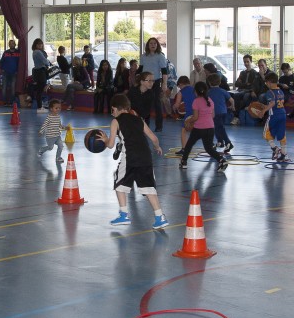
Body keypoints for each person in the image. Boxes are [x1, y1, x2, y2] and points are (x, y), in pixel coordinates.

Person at [97, 94, 168, 230]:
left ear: (114, 108)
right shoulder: (139, 119)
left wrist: (105, 139)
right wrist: (157, 147)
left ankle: (124, 215)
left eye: (112, 110)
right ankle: (160, 217)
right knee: (149, 188)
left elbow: (110, 145)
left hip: (130, 157)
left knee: (119, 183)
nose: (112, 113)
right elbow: (153, 138)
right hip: (146, 157)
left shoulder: (115, 121)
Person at [178, 81, 228, 172]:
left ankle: (184, 162)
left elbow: (195, 117)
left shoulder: (196, 101)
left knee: (188, 145)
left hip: (199, 128)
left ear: (196, 91)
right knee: (209, 148)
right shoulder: (210, 100)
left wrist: (188, 121)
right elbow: (213, 115)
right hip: (210, 128)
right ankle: (222, 160)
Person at [138, 37, 168, 132]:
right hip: (145, 83)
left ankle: (159, 126)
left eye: (155, 43)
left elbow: (164, 71)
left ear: (157, 45)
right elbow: (140, 69)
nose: (153, 45)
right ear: (148, 45)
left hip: (155, 82)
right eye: (151, 43)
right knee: (145, 103)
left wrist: (164, 84)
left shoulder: (160, 56)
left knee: (157, 104)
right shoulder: (143, 56)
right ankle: (145, 125)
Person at [258, 72, 289, 162]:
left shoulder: (269, 92)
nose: (266, 84)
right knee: (282, 134)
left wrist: (263, 111)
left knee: (266, 134)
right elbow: (280, 102)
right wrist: (266, 106)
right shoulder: (281, 91)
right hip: (283, 114)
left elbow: (272, 103)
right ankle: (284, 154)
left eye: (266, 82)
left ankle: (275, 148)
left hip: (274, 115)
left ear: (269, 82)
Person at [207, 73, 235, 152]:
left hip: (215, 113)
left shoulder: (209, 92)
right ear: (219, 82)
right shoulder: (223, 91)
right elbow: (232, 100)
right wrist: (232, 106)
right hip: (223, 112)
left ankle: (228, 143)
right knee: (217, 127)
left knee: (219, 128)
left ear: (209, 83)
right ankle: (220, 142)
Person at [37, 99, 67, 163]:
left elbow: (59, 125)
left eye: (59, 108)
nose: (58, 109)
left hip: (57, 136)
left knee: (61, 146)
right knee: (50, 148)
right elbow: (44, 125)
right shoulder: (49, 117)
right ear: (51, 109)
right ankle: (41, 150)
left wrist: (65, 128)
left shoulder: (58, 116)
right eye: (56, 108)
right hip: (50, 136)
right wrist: (41, 131)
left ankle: (58, 157)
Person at [231, 54, 258, 123]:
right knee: (231, 94)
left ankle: (236, 116)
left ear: (251, 62)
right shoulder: (242, 73)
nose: (246, 63)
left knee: (239, 96)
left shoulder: (255, 73)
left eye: (247, 62)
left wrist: (243, 85)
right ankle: (236, 114)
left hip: (248, 91)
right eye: (244, 62)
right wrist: (246, 84)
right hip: (241, 90)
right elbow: (236, 84)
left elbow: (253, 85)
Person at [173, 76, 196, 148]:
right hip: (197, 113)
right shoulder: (195, 90)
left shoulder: (180, 92)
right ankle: (210, 144)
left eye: (179, 87)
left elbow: (177, 105)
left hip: (189, 114)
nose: (179, 88)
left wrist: (174, 107)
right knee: (200, 130)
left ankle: (184, 148)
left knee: (183, 131)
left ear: (180, 84)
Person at [31, 38, 51, 112]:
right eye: (38, 44)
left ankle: (40, 106)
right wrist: (49, 63)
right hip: (41, 72)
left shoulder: (34, 52)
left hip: (37, 72)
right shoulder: (38, 52)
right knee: (40, 90)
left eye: (41, 44)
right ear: (35, 45)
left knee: (39, 90)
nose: (40, 45)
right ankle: (40, 107)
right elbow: (45, 61)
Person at [0, 39, 20, 105]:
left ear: (15, 44)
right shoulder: (5, 53)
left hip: (14, 73)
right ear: (9, 45)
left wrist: (17, 71)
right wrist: (2, 68)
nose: (11, 45)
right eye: (10, 44)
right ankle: (4, 102)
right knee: (4, 87)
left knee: (13, 88)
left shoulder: (18, 53)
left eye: (13, 43)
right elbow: (1, 61)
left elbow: (20, 63)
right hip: (5, 72)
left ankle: (11, 102)